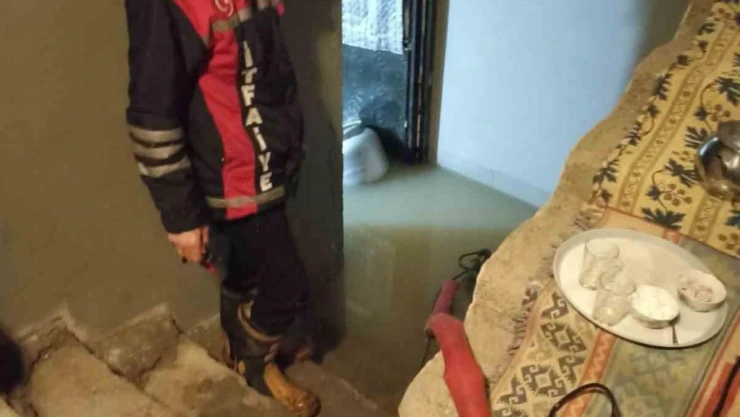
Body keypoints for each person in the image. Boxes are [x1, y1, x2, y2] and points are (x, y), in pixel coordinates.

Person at [124, 0, 319, 415]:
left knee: (247, 269)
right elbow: (152, 115)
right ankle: (254, 362)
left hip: (264, 160)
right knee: (288, 287)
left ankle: (239, 342)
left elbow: (265, 66)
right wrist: (180, 218)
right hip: (230, 174)